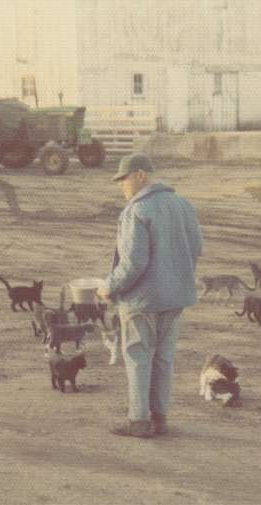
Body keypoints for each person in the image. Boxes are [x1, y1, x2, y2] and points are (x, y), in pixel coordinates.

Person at [96, 152, 203, 438]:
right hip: (175, 298)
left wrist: (109, 286)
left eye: (124, 179)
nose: (121, 186)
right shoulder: (184, 205)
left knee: (138, 357)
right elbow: (195, 248)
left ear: (141, 175)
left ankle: (138, 422)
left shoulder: (136, 211)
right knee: (164, 359)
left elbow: (133, 263)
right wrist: (177, 279)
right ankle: (160, 419)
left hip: (141, 301)